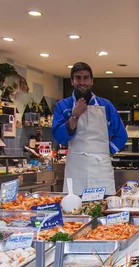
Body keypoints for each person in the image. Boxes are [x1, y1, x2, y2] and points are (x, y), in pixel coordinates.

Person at [52, 62, 127, 195]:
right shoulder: (63, 106)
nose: (82, 82)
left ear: (91, 81)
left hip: (100, 166)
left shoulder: (106, 105)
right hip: (76, 167)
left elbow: (121, 135)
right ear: (72, 81)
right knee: (74, 207)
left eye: (86, 78)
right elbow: (59, 137)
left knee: (103, 206)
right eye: (78, 78)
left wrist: (105, 150)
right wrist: (75, 115)